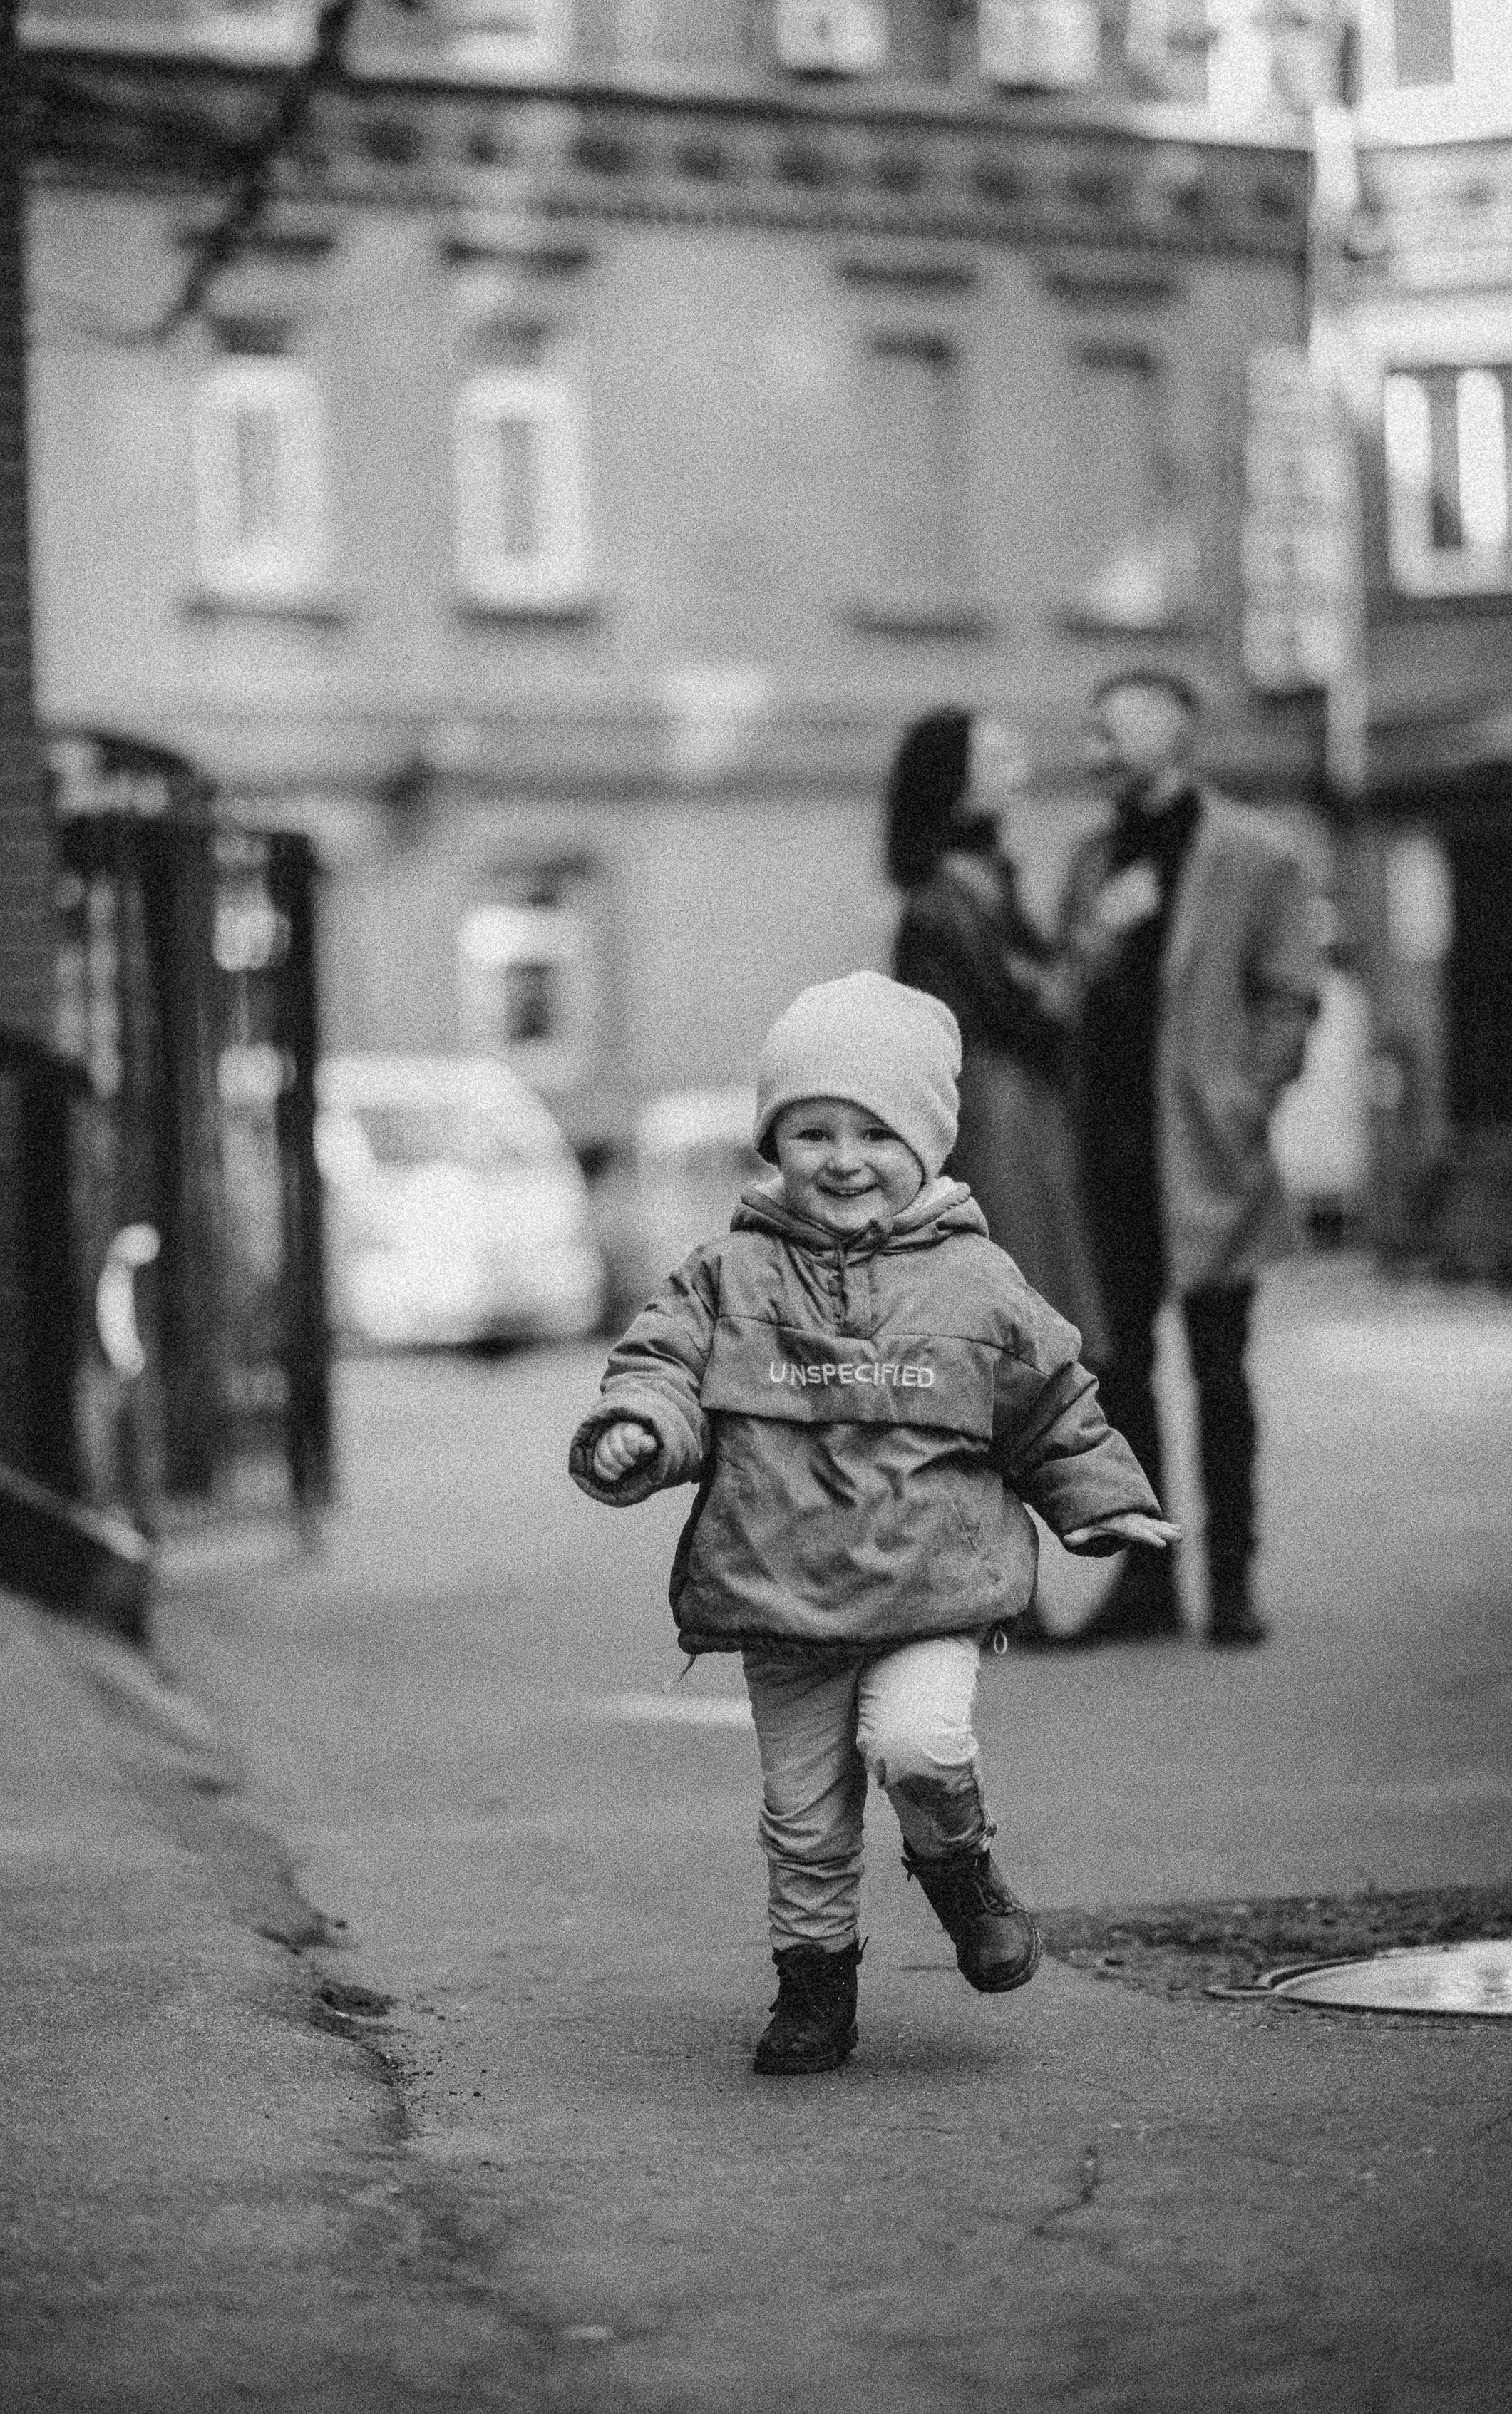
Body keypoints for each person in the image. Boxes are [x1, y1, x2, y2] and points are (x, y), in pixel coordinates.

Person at [567, 972, 1174, 2076]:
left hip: (930, 1587)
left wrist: (1107, 1502)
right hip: (778, 1594)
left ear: (929, 1144)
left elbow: (1052, 1405)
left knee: (919, 1744)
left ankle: (961, 1873)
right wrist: (640, 1431)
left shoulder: (977, 1283)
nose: (843, 1157)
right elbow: (661, 1367)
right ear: (774, 1142)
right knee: (803, 1821)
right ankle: (815, 1991)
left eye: (874, 1132)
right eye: (811, 1130)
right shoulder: (726, 1277)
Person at [1059, 669, 1319, 1650]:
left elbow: (1290, 994)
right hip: (1112, 1164)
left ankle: (1233, 1582)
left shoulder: (1255, 855)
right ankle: (1147, 1582)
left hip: (1210, 1163)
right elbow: (1064, 989)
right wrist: (1098, 935)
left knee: (1221, 1379)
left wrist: (1246, 1102)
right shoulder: (1091, 861)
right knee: (1120, 1383)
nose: (1093, 753)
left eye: (1109, 734)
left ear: (1170, 742)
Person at [887, 707, 1109, 1360]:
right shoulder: (948, 898)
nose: (1020, 773)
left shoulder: (969, 885)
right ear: (956, 783)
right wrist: (1098, 938)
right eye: (999, 759)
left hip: (1009, 1115)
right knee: (1023, 1311)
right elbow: (1028, 1009)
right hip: (1000, 1123)